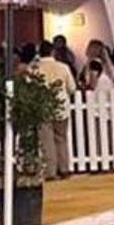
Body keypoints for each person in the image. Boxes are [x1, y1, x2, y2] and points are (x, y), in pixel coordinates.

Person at [34, 40, 77, 180]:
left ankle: (50, 171)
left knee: (47, 140)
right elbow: (72, 88)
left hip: (42, 107)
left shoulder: (35, 68)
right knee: (61, 138)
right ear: (53, 52)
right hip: (61, 106)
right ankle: (64, 168)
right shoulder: (63, 67)